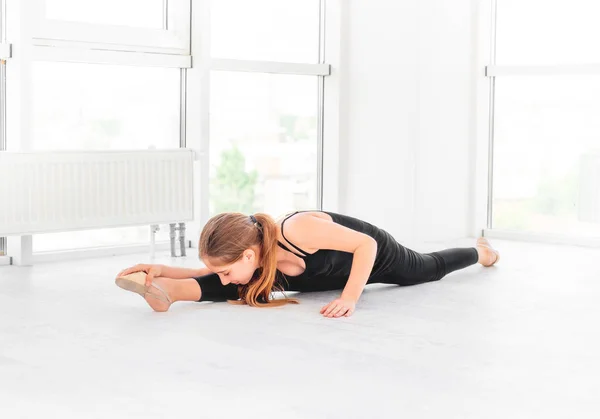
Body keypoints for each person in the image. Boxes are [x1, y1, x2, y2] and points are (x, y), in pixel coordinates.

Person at [115, 210, 500, 318]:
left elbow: (365, 245)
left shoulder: (297, 230)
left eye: (227, 266)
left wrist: (352, 297)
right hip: (325, 274)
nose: (223, 274)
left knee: (426, 269)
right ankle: (169, 292)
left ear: (249, 254)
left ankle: (480, 252)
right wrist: (162, 269)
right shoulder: (254, 262)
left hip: (372, 256)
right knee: (241, 286)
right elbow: (214, 272)